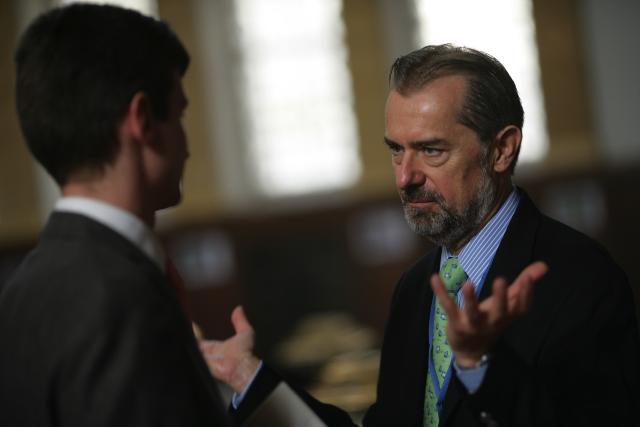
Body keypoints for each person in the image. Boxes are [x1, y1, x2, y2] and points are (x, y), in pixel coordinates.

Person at [201, 44, 640, 426]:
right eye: (396, 150)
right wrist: (251, 381)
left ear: (502, 149)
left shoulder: (581, 277)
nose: (406, 177)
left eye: (432, 150)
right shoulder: (415, 288)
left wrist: (480, 365)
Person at [0, 4, 229, 426]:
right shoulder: (124, 304)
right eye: (179, 114)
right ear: (142, 119)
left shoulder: (20, 292)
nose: (187, 143)